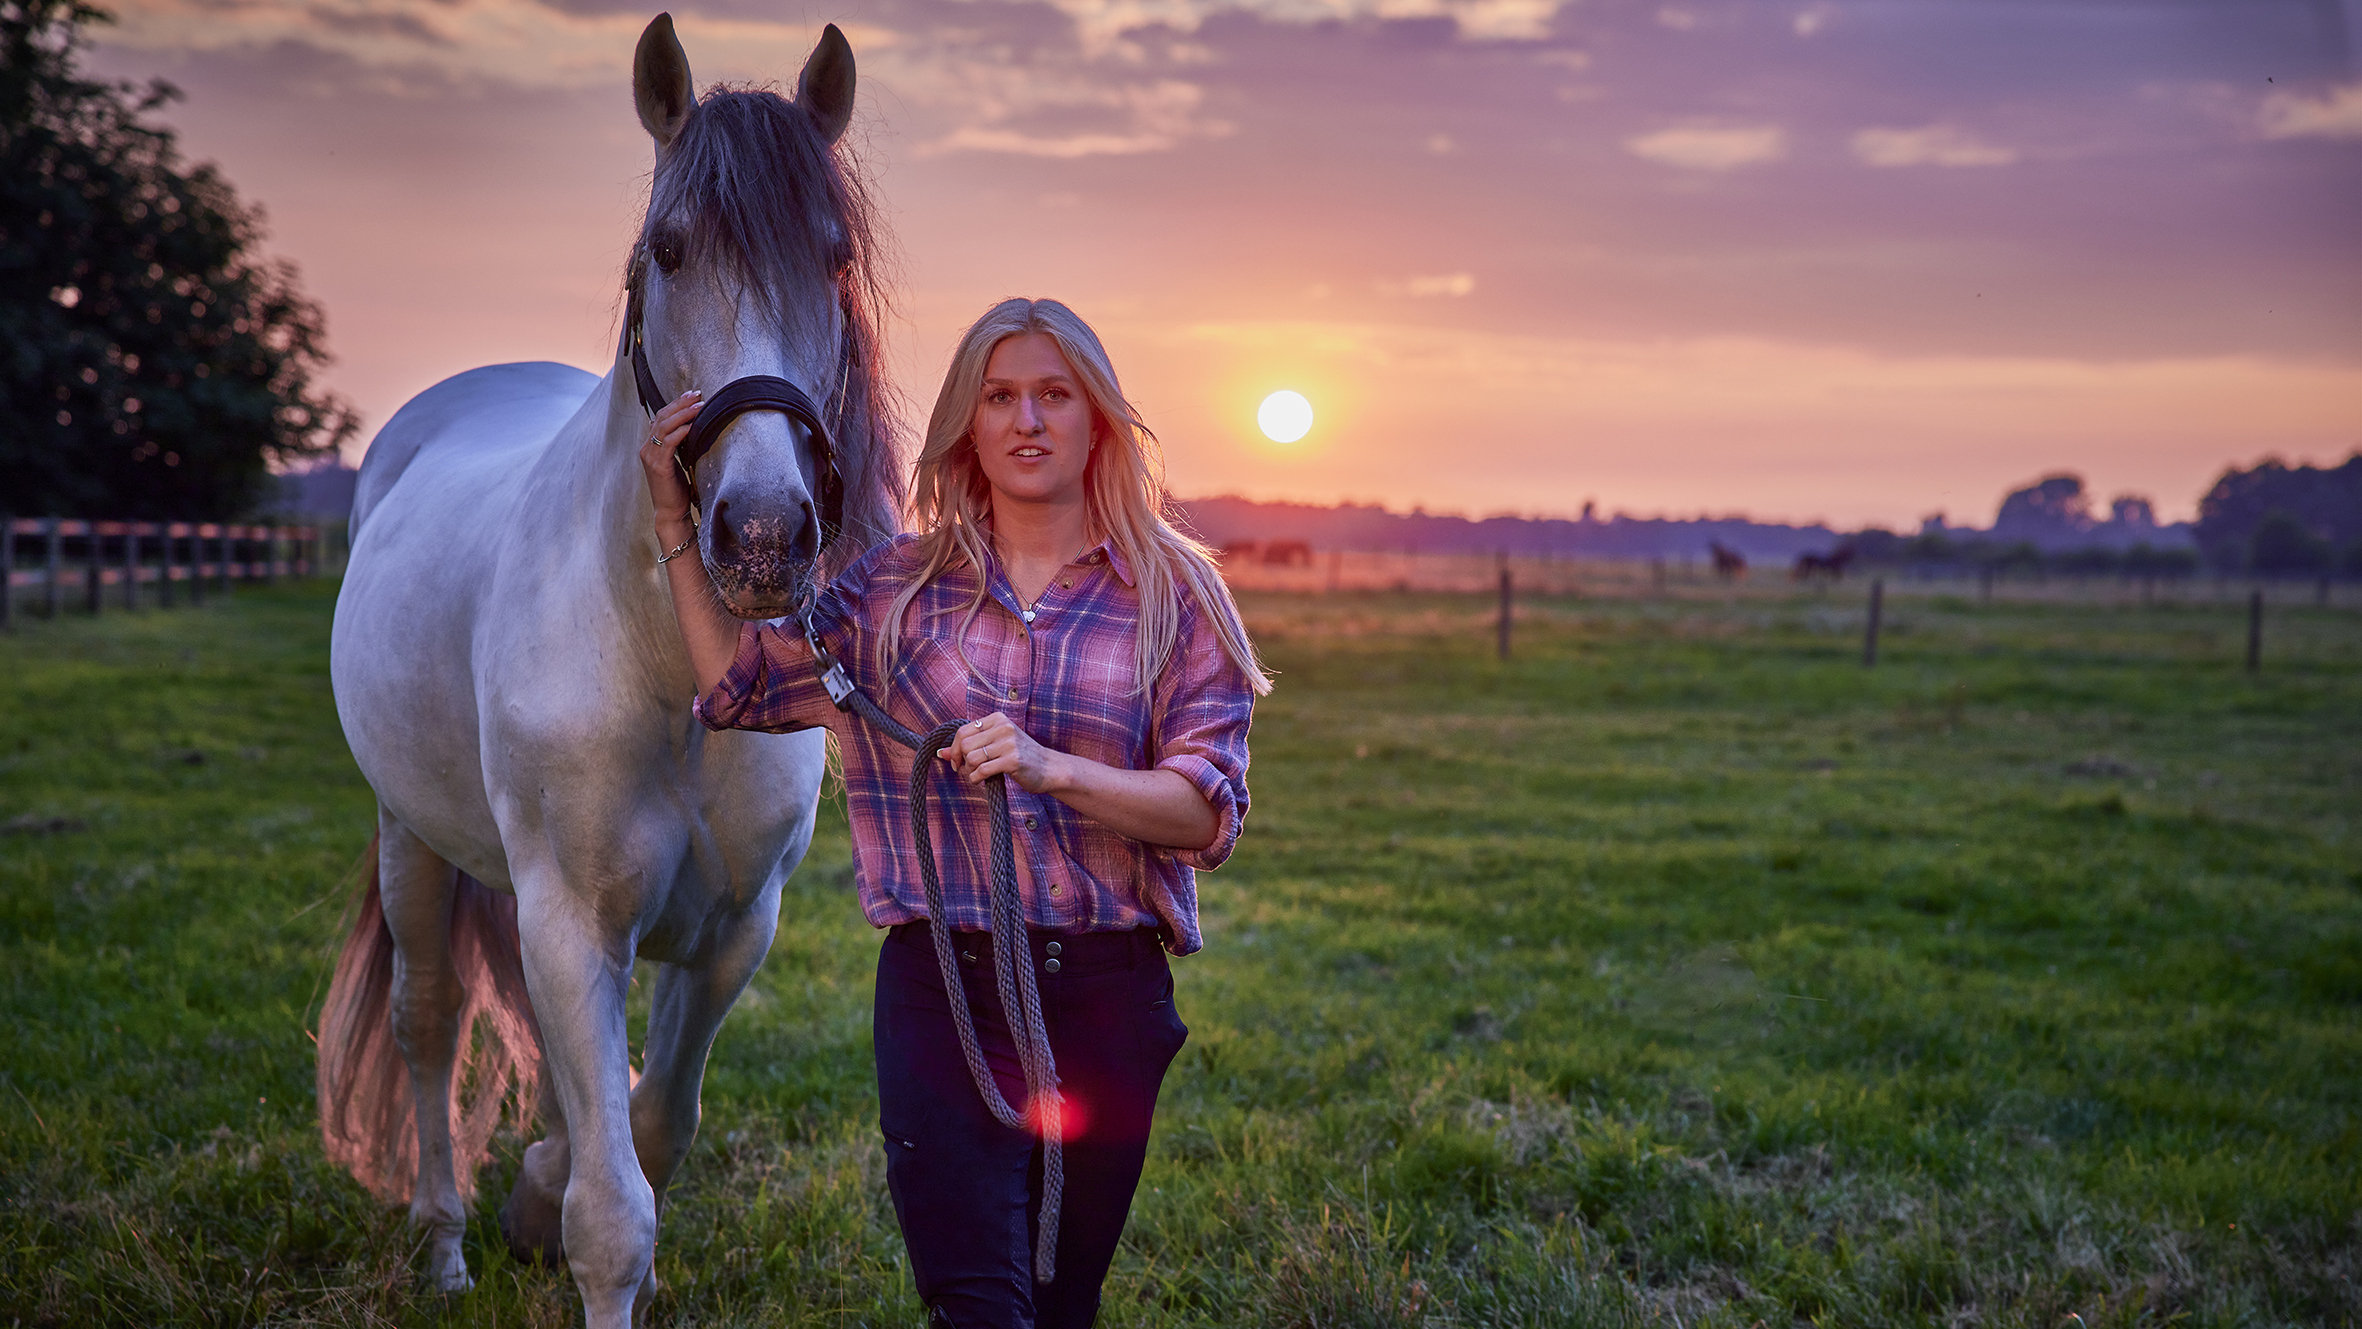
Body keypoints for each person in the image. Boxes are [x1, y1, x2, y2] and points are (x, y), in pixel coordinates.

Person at [638, 297, 1269, 1328]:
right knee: (977, 1305)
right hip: (943, 990)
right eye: (1000, 396)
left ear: (1097, 419)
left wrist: (1047, 767)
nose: (1027, 420)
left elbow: (1203, 816)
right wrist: (674, 519)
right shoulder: (891, 588)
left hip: (1110, 1000)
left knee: (1063, 1305)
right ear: (966, 425)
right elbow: (745, 690)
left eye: (1054, 395)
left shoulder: (1176, 594)